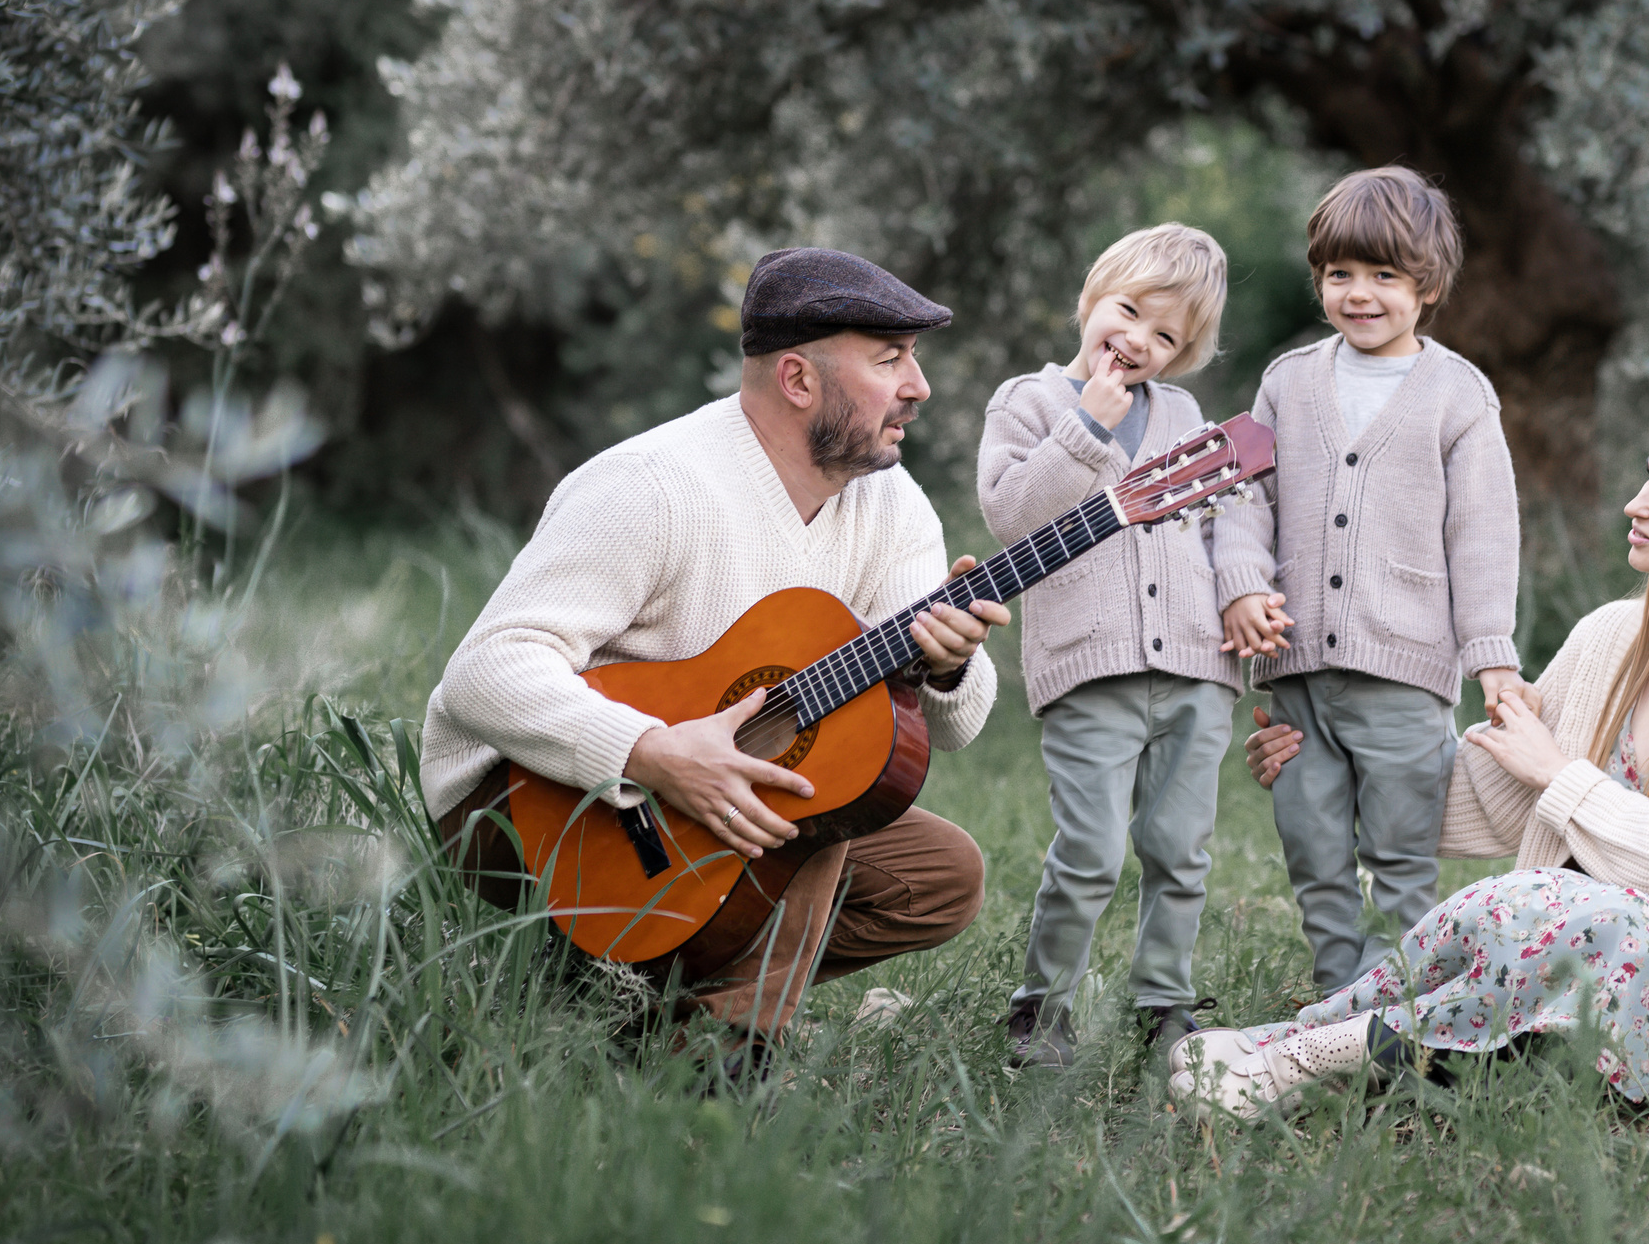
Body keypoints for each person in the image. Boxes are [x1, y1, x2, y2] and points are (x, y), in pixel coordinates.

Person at [1171, 402, 1649, 1117]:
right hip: (1573, 944)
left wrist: (1559, 775)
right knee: (1491, 909)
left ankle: (1298, 1065)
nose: (1635, 503)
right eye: (1647, 479)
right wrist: (1335, 772)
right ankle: (1283, 1046)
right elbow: (1494, 792)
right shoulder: (1611, 635)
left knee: (1567, 913)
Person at [421, 248, 1009, 1067]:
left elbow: (950, 729)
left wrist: (944, 667)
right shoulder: (652, 485)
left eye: (913, 357)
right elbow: (485, 669)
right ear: (798, 379)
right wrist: (651, 752)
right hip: (526, 809)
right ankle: (724, 1060)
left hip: (704, 820)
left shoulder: (894, 508)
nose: (920, 385)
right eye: (889, 360)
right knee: (816, 811)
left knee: (939, 874)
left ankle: (638, 1001)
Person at [1211, 167, 1523, 994]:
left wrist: (1492, 654)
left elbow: (1484, 533)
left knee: (1400, 852)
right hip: (1298, 669)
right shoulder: (1287, 381)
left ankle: (1399, 1006)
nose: (1359, 293)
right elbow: (1244, 495)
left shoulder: (1459, 395)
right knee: (1312, 845)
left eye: (1385, 275)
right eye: (1340, 273)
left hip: (1405, 674)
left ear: (1428, 287)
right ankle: (1336, 991)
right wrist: (1241, 582)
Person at [978, 223, 1259, 1067]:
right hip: (1090, 666)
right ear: (1093, 296)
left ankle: (1164, 1001)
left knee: (1180, 849)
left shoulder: (1182, 415)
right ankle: (1042, 1009)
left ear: (1182, 355)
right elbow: (1014, 517)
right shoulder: (1029, 404)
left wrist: (1241, 588)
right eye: (1130, 311)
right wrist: (1086, 429)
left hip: (1197, 666)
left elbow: (1229, 512)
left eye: (1165, 336)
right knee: (1091, 851)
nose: (1138, 341)